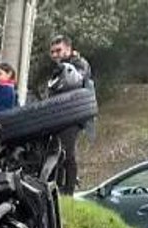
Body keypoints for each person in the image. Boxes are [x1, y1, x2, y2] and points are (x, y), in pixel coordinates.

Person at [47, 35, 94, 195]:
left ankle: (69, 191)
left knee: (68, 154)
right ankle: (59, 188)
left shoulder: (79, 64)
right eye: (52, 52)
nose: (55, 55)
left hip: (73, 115)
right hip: (60, 115)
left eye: (58, 50)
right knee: (58, 152)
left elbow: (74, 81)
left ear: (68, 48)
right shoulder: (59, 68)